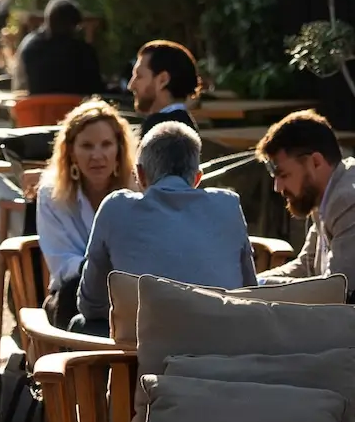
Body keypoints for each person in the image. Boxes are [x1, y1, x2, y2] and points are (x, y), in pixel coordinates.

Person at [76, 120, 257, 332]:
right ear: (197, 178)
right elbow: (249, 292)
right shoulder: (229, 205)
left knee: (80, 324)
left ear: (140, 175)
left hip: (141, 355)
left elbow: (91, 304)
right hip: (220, 348)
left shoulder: (115, 208)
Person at [256, 108, 355, 291]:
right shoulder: (326, 191)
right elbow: (305, 267)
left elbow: (334, 290)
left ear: (315, 162)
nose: (278, 188)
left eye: (284, 175)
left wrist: (258, 286)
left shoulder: (351, 198)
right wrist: (249, 283)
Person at [37, 100, 140, 325]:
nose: (97, 155)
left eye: (106, 144)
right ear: (71, 152)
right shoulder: (51, 195)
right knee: (72, 292)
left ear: (119, 149)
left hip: (128, 292)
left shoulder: (137, 190)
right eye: (87, 146)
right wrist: (98, 267)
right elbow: (62, 264)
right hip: (72, 292)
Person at [13, 0, 103, 98]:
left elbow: (19, 86)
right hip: (75, 111)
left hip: (37, 111)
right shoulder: (84, 51)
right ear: (74, 26)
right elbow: (95, 89)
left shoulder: (29, 46)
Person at [127, 39, 201, 134]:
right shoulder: (186, 127)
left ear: (163, 80)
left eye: (139, 76)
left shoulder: (158, 131)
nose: (131, 86)